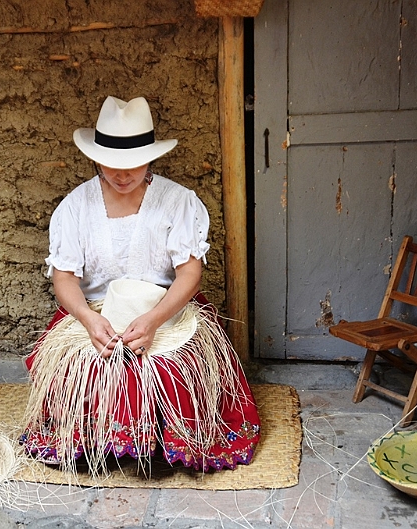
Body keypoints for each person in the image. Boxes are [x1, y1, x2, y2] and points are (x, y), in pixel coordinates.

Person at [21, 96, 260, 475]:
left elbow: (188, 274)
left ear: (151, 156)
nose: (122, 174)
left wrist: (152, 320)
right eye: (111, 165)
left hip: (167, 312)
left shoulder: (178, 202)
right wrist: (85, 317)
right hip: (98, 314)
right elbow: (64, 277)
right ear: (96, 157)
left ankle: (159, 441)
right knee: (83, 368)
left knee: (172, 369)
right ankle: (105, 441)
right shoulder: (75, 207)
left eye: (133, 164)